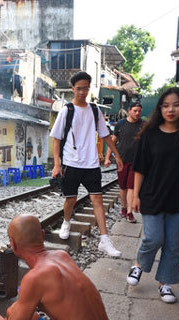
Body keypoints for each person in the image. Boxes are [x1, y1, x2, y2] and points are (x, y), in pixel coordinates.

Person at [127, 88, 179, 303]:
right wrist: (135, 195)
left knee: (173, 243)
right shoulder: (149, 134)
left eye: (176, 104)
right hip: (152, 195)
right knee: (154, 237)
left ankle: (165, 284)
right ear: (159, 108)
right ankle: (139, 264)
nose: (170, 109)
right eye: (165, 105)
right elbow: (140, 168)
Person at [50, 71, 124, 257]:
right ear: (73, 89)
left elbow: (105, 134)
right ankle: (66, 222)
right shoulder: (67, 110)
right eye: (79, 88)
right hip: (71, 162)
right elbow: (56, 140)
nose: (82, 92)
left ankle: (105, 240)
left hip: (91, 163)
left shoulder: (94, 110)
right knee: (71, 199)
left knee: (97, 199)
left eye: (86, 88)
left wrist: (117, 155)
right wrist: (57, 165)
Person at [104, 102, 144, 223]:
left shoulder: (143, 125)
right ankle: (124, 207)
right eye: (135, 111)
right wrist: (107, 157)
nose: (137, 113)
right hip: (121, 160)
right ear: (130, 110)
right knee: (123, 187)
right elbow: (113, 141)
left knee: (131, 186)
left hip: (136, 161)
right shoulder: (121, 124)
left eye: (139, 111)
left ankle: (129, 212)